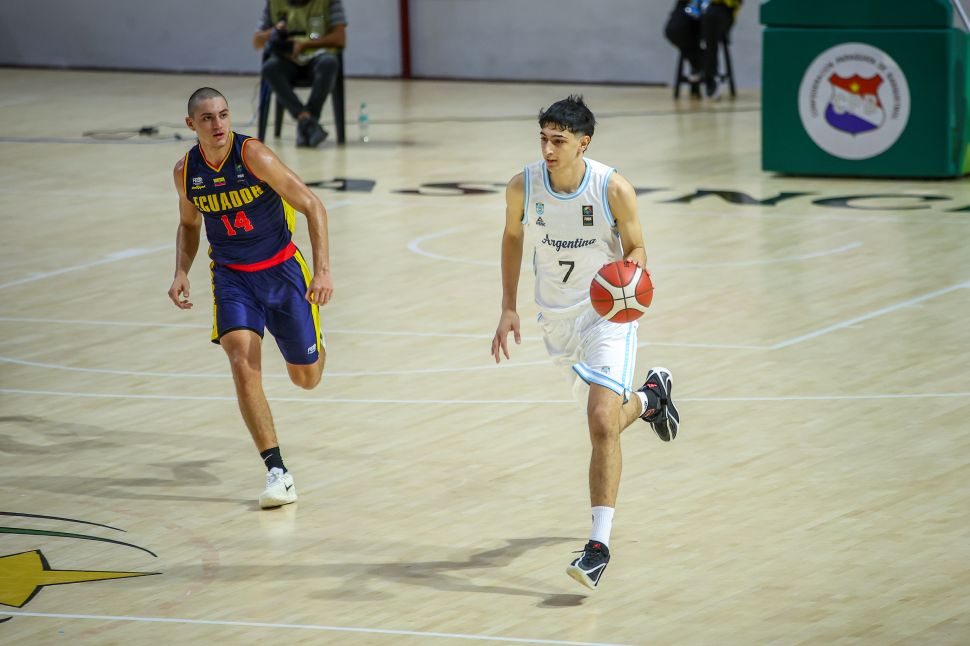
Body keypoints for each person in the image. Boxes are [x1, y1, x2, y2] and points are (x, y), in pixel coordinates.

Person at [491, 95, 680, 590]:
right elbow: (512, 238)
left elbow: (637, 245)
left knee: (599, 423)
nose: (548, 150)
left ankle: (598, 547)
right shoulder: (523, 186)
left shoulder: (612, 188)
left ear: (583, 143)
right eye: (543, 139)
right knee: (608, 424)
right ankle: (651, 398)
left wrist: (631, 276)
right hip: (556, 321)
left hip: (607, 315)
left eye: (559, 141)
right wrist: (508, 306)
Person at [168, 87, 334, 508]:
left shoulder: (253, 155)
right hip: (232, 279)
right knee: (242, 363)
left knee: (306, 378)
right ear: (191, 124)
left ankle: (316, 343)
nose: (218, 124)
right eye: (207, 118)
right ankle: (277, 471)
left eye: (223, 115)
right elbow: (189, 225)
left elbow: (313, 205)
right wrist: (181, 270)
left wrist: (323, 271)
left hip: (282, 271)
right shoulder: (185, 171)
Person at [253, 0, 347, 147]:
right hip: (287, 62)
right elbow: (257, 42)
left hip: (317, 58)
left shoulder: (329, 2)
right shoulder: (275, 2)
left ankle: (306, 123)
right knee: (270, 68)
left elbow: (340, 38)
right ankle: (308, 122)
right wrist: (274, 32)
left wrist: (304, 45)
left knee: (329, 62)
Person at [664, 0, 742, 99]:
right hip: (692, 5)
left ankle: (711, 75)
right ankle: (699, 64)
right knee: (674, 29)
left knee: (711, 18)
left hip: (720, 7)